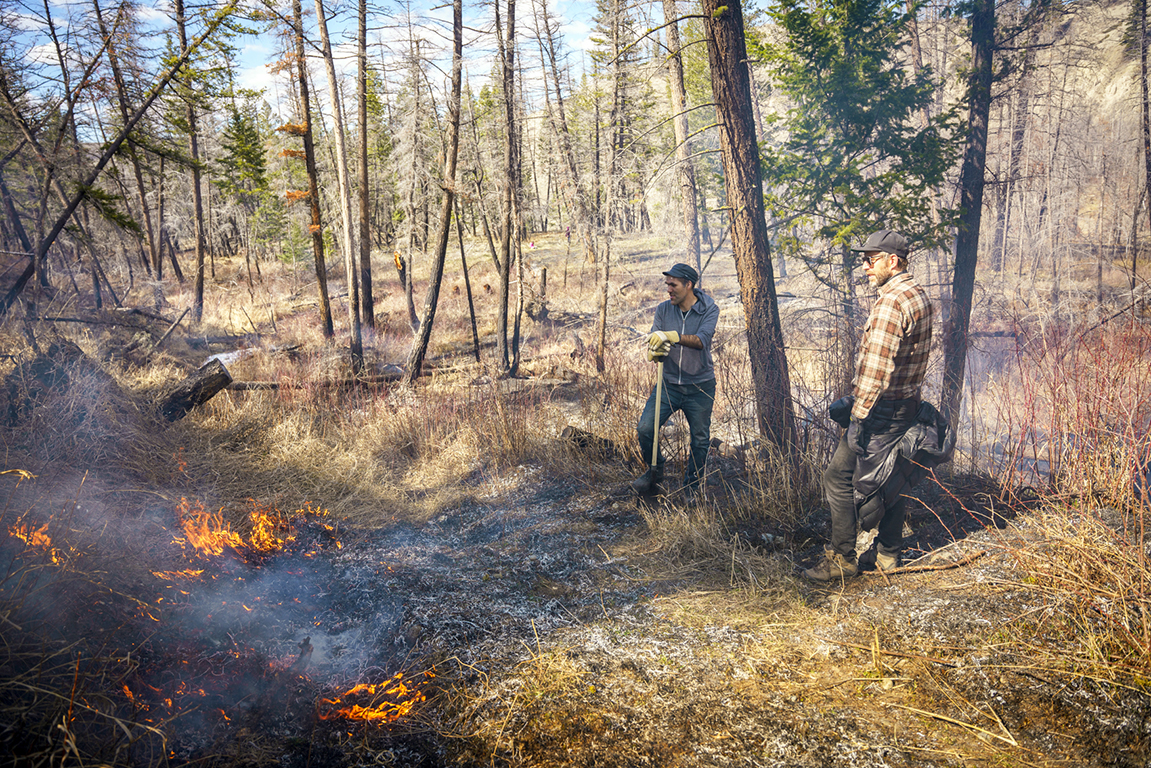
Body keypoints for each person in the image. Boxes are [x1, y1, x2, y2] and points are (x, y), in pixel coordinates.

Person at [802, 229, 934, 582]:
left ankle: (842, 558)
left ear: (893, 260)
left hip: (880, 410)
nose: (865, 267)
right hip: (906, 405)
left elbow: (877, 368)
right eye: (864, 260)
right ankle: (889, 555)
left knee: (837, 477)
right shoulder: (918, 295)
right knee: (893, 479)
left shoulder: (892, 301)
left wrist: (858, 415)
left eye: (871, 260)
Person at [631, 263, 720, 500]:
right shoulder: (663, 310)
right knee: (645, 429)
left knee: (700, 439)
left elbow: (702, 340)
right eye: (667, 284)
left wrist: (674, 337)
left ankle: (692, 487)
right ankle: (655, 471)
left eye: (673, 285)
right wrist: (655, 350)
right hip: (668, 384)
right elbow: (655, 336)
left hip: (700, 385)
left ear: (688, 285)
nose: (668, 289)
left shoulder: (709, 309)